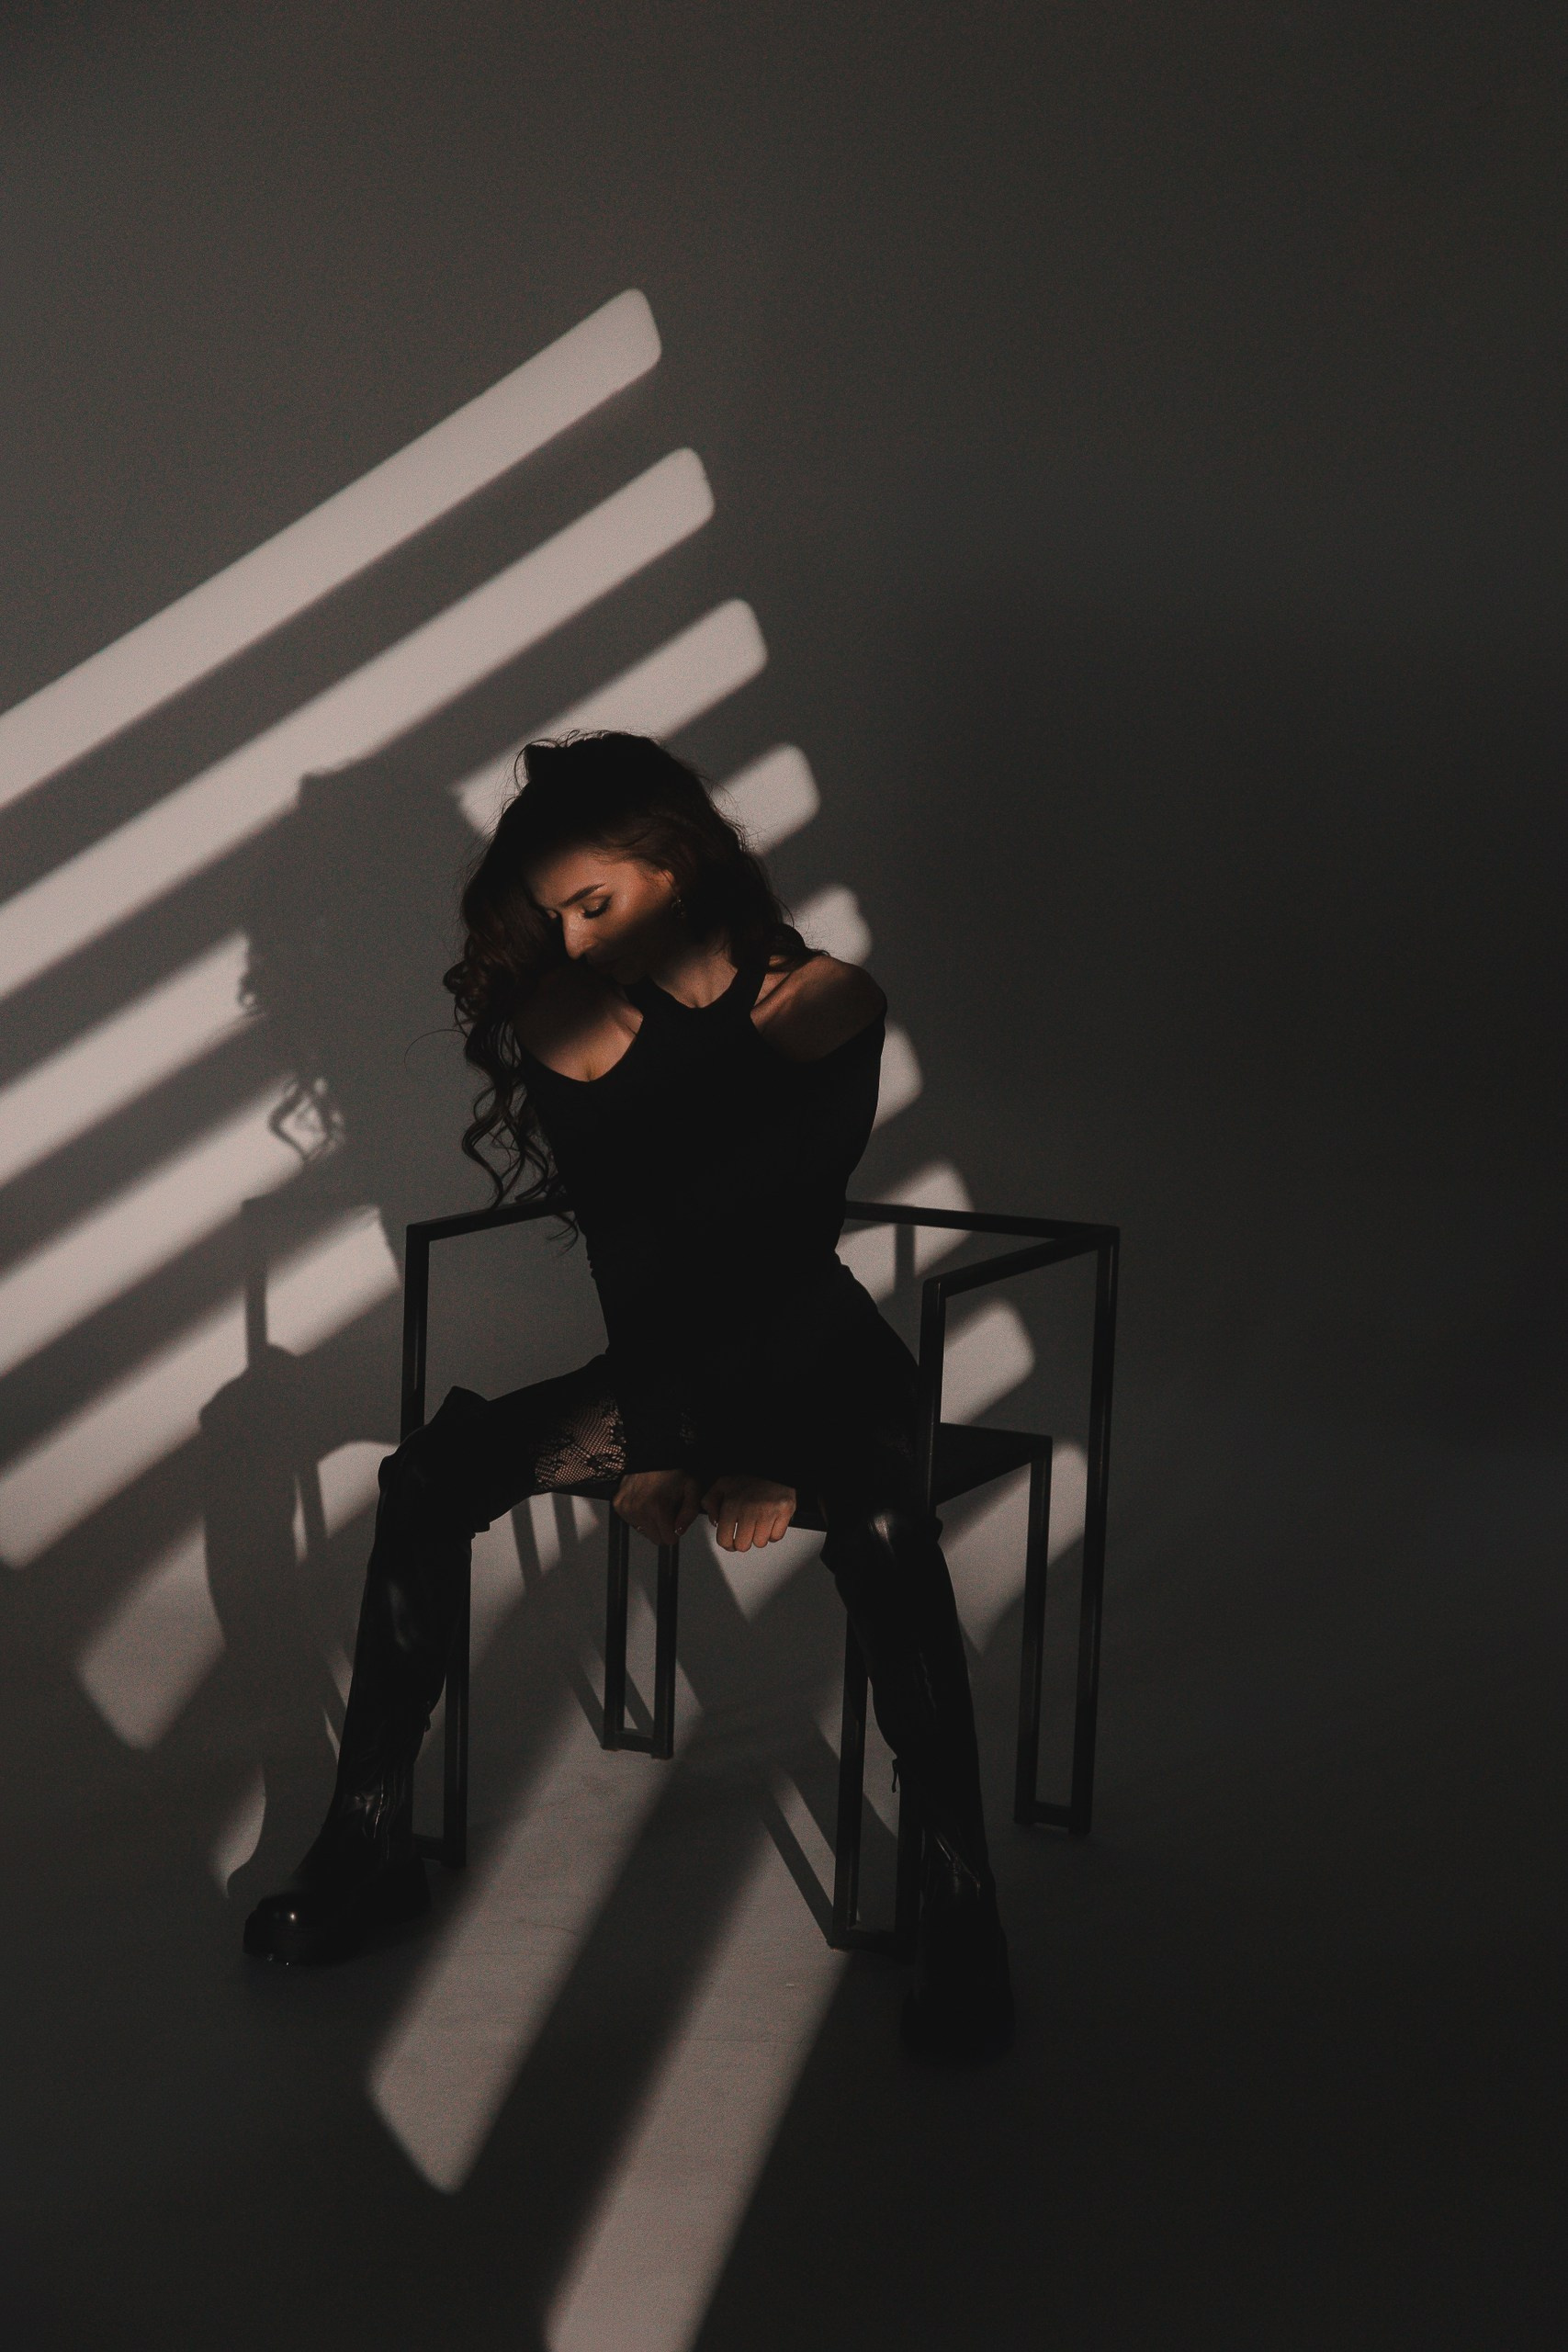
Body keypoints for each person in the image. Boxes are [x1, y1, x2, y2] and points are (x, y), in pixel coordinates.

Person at [243, 730, 1013, 2062]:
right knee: (428, 1479)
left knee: (886, 1524)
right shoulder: (573, 1025)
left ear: (677, 863)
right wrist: (661, 1445)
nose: (573, 942)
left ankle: (959, 1898)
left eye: (592, 904)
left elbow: (781, 1249)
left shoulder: (822, 1004)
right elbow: (634, 1255)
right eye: (554, 919)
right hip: (671, 1370)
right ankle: (365, 1843)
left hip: (825, 1371)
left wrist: (772, 1459)